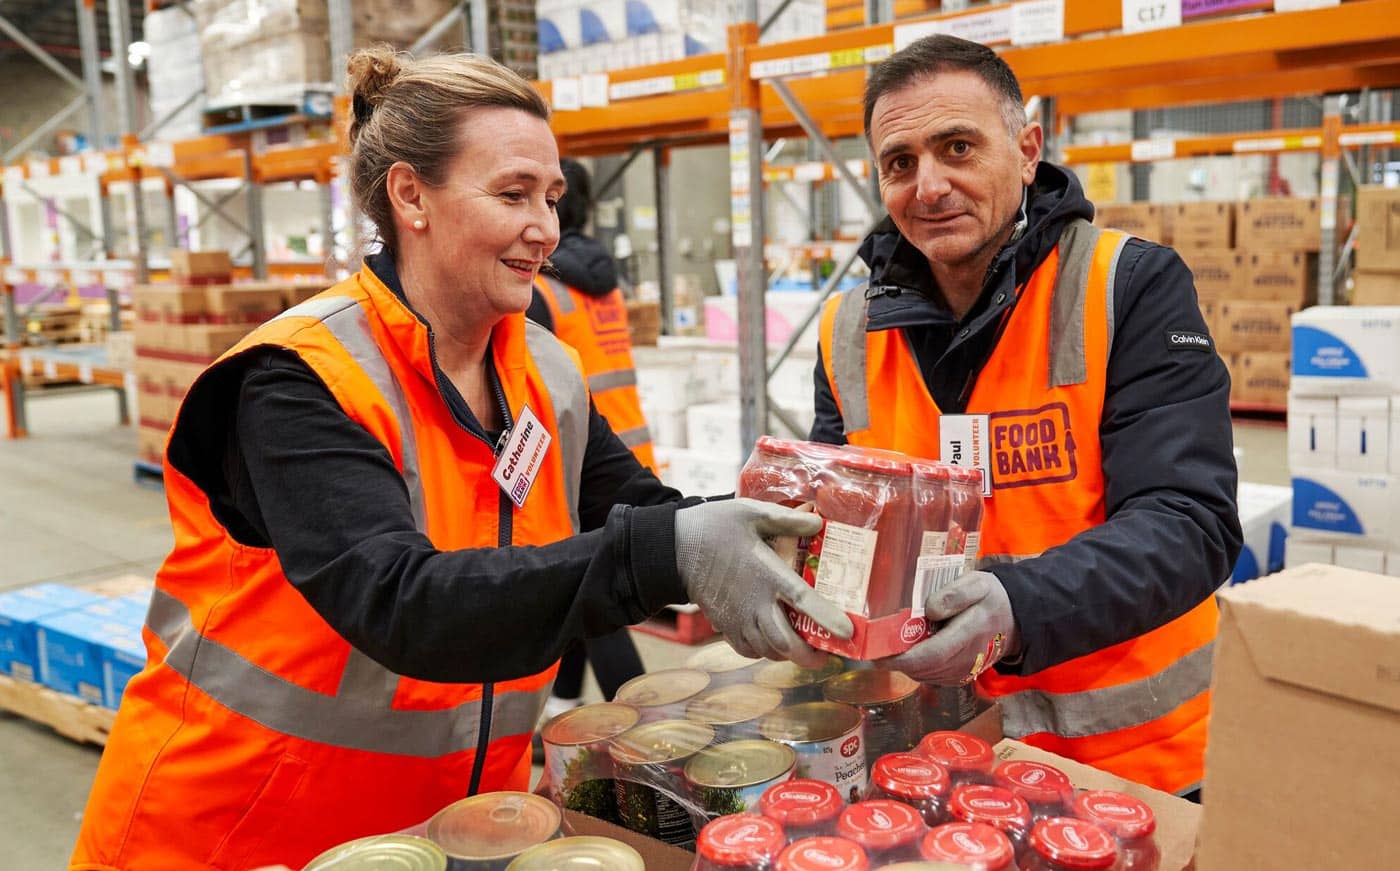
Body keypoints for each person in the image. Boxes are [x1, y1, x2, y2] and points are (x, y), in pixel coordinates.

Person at [71, 49, 850, 871]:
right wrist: (667, 552)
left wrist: (796, 536)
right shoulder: (299, 380)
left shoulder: (544, 372)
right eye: (512, 194)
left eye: (551, 197)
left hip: (447, 835)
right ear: (411, 195)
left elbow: (642, 509)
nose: (545, 228)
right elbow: (400, 601)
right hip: (241, 834)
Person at [811, 35, 1241, 796]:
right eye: (900, 162)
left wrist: (1019, 607)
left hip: (1132, 769)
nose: (929, 186)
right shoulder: (848, 331)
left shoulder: (1126, 286)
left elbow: (1189, 521)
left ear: (1027, 150)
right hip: (938, 768)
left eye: (958, 147)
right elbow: (835, 524)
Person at [528, 158, 651, 719]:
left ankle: (650, 728)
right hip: (626, 449)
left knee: (598, 603)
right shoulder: (601, 281)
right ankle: (562, 709)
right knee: (576, 585)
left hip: (579, 461)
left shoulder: (542, 291)